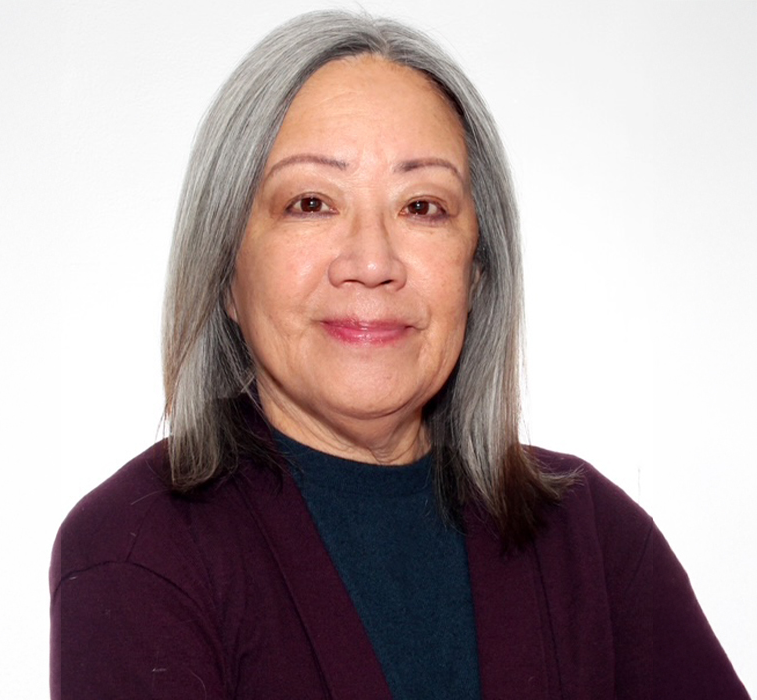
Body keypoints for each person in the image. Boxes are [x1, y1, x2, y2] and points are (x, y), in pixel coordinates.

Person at [50, 10, 749, 699]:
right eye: (312, 202)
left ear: (477, 273)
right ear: (227, 269)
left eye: (422, 207)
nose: (372, 261)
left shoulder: (593, 541)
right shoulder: (136, 551)